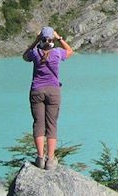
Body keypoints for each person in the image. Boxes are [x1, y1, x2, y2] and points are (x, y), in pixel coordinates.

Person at [22, 26, 74, 170]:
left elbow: (24, 56)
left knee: (38, 123)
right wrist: (60, 38)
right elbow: (70, 51)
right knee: (51, 124)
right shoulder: (57, 53)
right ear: (52, 40)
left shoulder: (35, 53)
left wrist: (36, 40)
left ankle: (40, 158)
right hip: (53, 92)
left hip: (36, 91)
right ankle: (50, 160)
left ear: (41, 39)